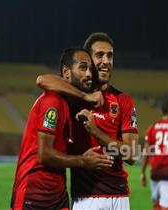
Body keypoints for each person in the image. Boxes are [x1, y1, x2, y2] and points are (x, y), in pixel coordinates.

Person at [36, 32, 139, 210]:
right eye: (100, 55)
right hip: (86, 197)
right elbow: (42, 80)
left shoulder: (124, 101)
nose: (106, 61)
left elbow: (131, 155)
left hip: (119, 195)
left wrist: (97, 132)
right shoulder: (74, 95)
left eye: (110, 56)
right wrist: (85, 95)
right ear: (88, 60)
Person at [10, 48, 113, 210]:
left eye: (91, 70)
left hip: (58, 196)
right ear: (66, 72)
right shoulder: (53, 101)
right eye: (83, 67)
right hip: (34, 195)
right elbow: (44, 154)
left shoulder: (69, 105)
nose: (88, 74)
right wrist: (83, 160)